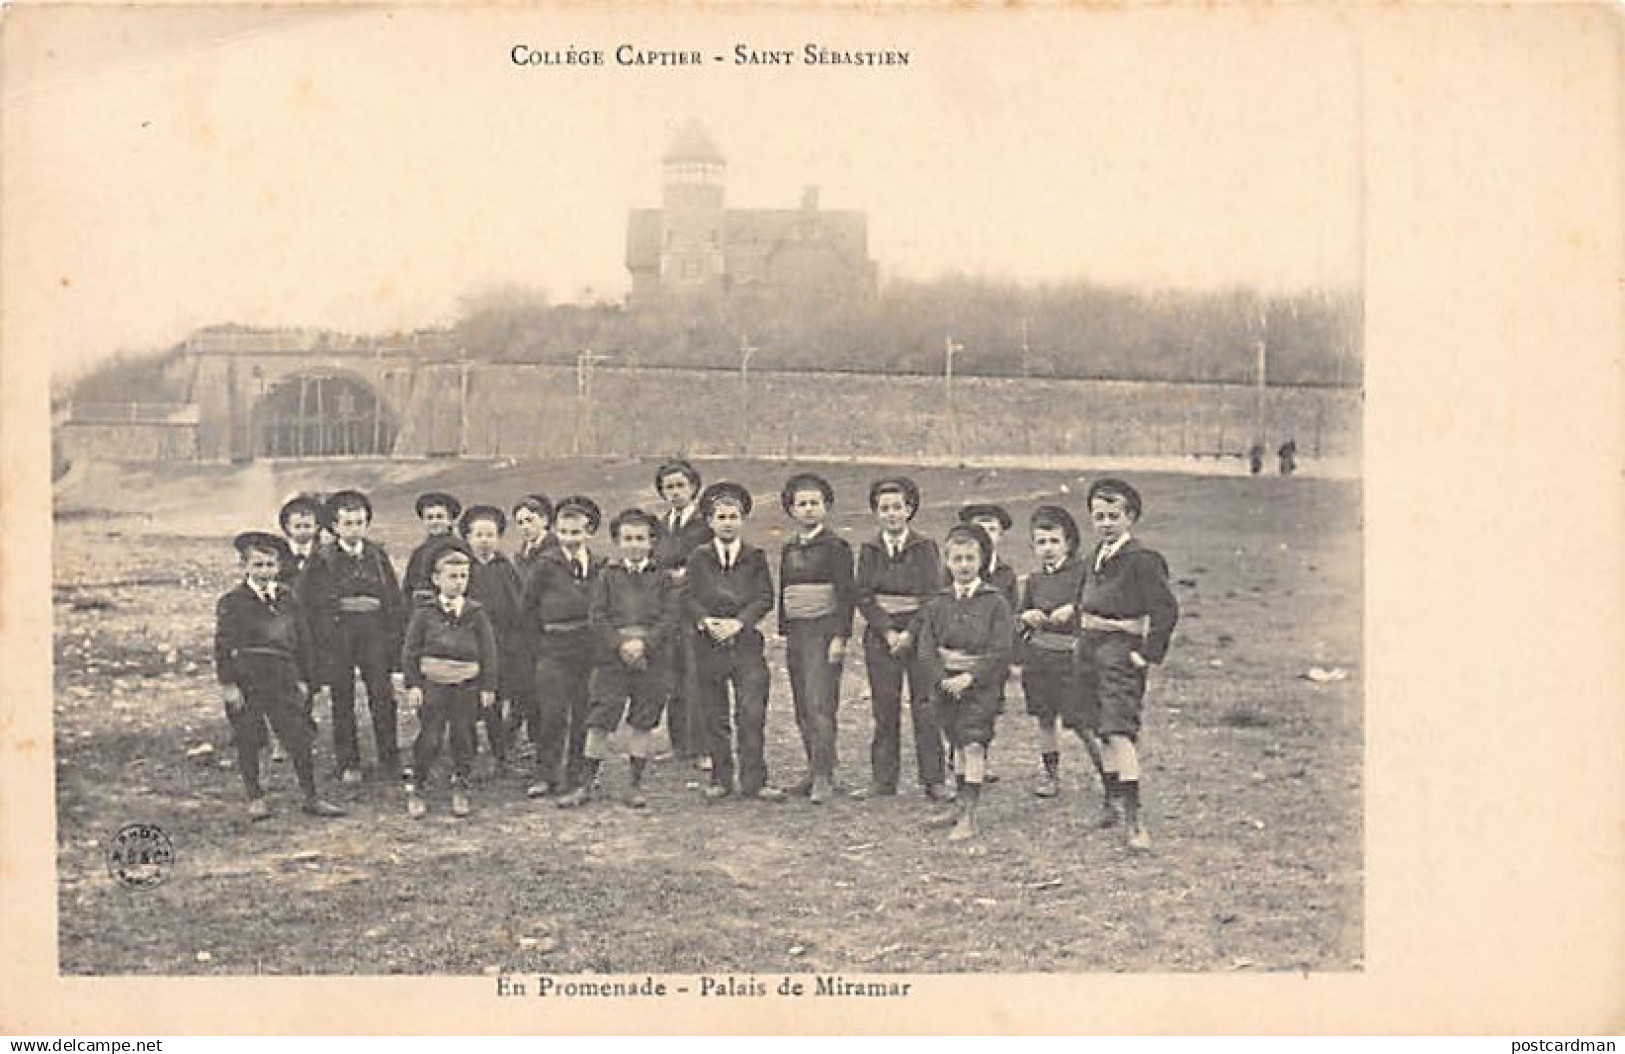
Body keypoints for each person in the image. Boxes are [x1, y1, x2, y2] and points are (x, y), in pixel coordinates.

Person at [1075, 478, 1180, 852]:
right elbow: (1080, 605)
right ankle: (1112, 802)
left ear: (1130, 517)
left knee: (1119, 730)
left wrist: (1147, 653)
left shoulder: (1142, 560)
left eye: (1113, 516)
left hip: (1121, 651)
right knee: (1095, 726)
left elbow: (1166, 610)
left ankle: (1135, 819)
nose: (1105, 523)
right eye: (1098, 516)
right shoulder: (1093, 558)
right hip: (1087, 650)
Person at [213, 531, 345, 820]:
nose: (264, 571)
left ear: (279, 566)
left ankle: (311, 796)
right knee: (248, 736)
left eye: (270, 565)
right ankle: (255, 796)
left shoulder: (287, 598)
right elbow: (223, 647)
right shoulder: (232, 602)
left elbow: (303, 640)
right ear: (244, 567)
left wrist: (306, 679)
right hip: (248, 677)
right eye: (257, 565)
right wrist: (229, 685)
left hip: (283, 676)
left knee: (298, 736)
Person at [568, 508, 679, 809]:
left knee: (643, 719)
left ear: (652, 541)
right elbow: (597, 615)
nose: (634, 544)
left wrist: (645, 644)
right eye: (627, 538)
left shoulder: (663, 577)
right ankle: (586, 784)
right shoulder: (607, 575)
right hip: (612, 657)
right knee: (600, 718)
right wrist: (619, 644)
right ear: (617, 541)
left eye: (640, 538)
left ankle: (634, 785)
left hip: (652, 658)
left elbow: (670, 617)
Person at [915, 522, 1015, 841]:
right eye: (957, 559)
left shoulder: (995, 602)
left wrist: (970, 677)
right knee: (956, 741)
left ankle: (969, 815)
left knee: (973, 743)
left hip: (979, 685)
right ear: (947, 561)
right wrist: (941, 678)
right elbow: (926, 647)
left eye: (970, 559)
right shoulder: (938, 602)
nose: (963, 566)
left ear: (982, 560)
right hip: (945, 684)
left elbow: (1001, 649)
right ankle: (958, 805)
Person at [853, 477, 950, 802]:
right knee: (884, 708)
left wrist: (909, 633)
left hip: (919, 636)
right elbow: (864, 596)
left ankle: (933, 779)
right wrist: (888, 631)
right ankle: (884, 780)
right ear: (876, 512)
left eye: (898, 507)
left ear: (909, 509)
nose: (892, 514)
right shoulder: (869, 549)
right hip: (882, 637)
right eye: (884, 509)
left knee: (926, 707)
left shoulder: (924, 547)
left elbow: (932, 596)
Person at [684, 482, 782, 802]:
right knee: (714, 714)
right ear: (710, 522)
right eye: (721, 517)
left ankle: (755, 779)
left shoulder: (755, 556)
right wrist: (706, 621)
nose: (727, 522)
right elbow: (688, 596)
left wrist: (739, 623)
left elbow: (765, 597)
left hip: (745, 646)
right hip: (708, 645)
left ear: (742, 521)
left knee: (751, 712)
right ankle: (721, 778)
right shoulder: (699, 557)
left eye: (733, 516)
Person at [302, 489, 406, 783]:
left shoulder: (376, 554)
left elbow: (393, 598)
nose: (354, 529)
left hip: (374, 634)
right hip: (338, 636)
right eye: (347, 523)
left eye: (360, 522)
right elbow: (308, 603)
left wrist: (394, 641)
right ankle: (348, 762)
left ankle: (390, 759)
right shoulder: (321, 558)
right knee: (342, 698)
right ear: (334, 526)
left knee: (382, 696)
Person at [401, 541, 498, 819]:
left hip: (466, 685)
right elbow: (410, 650)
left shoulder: (476, 613)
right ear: (436, 579)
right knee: (430, 737)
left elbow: (489, 652)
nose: (458, 583)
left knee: (464, 735)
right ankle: (417, 785)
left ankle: (461, 784)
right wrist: (414, 684)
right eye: (452, 576)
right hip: (433, 684)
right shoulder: (424, 613)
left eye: (463, 576)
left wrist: (488, 686)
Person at [1015, 505, 1106, 798]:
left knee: (1081, 722)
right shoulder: (1033, 580)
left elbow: (1095, 607)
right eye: (1041, 542)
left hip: (1072, 659)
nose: (1048, 548)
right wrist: (1026, 617)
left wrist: (1074, 611)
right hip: (1038, 659)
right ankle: (1051, 775)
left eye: (1054, 541)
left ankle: (1109, 778)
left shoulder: (1082, 573)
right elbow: (1019, 618)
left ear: (1069, 543)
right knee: (1044, 718)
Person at [777, 472, 855, 804]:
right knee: (801, 705)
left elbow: (846, 594)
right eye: (802, 504)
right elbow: (785, 592)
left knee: (820, 702)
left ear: (826, 507)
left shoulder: (836, 546)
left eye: (815, 503)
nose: (808, 509)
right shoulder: (789, 547)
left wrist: (839, 637)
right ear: (792, 510)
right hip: (797, 632)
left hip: (823, 631)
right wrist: (784, 632)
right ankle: (812, 767)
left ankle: (824, 774)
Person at [521, 495, 603, 798]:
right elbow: (527, 608)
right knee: (553, 712)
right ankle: (546, 773)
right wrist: (539, 644)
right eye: (564, 533)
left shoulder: (599, 566)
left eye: (576, 533)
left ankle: (576, 773)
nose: (570, 539)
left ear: (589, 532)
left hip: (587, 649)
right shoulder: (545, 565)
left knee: (583, 712)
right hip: (553, 648)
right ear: (556, 532)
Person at [650, 459, 713, 768]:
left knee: (695, 675)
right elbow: (656, 562)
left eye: (680, 486)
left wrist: (684, 576)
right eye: (668, 487)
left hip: (695, 606)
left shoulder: (704, 524)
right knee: (670, 676)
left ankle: (702, 747)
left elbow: (708, 564)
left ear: (693, 488)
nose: (675, 492)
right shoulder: (660, 526)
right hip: (667, 608)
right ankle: (679, 745)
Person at [459, 505, 527, 775]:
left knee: (496, 700)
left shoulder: (504, 568)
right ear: (468, 537)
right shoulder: (462, 567)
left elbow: (517, 605)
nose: (485, 540)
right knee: (468, 701)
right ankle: (467, 753)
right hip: (469, 644)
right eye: (479, 534)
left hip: (500, 645)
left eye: (490, 534)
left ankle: (500, 754)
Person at [402, 491, 464, 604]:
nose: (435, 522)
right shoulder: (419, 553)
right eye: (429, 518)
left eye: (440, 517)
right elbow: (408, 588)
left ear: (450, 521)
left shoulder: (459, 549)